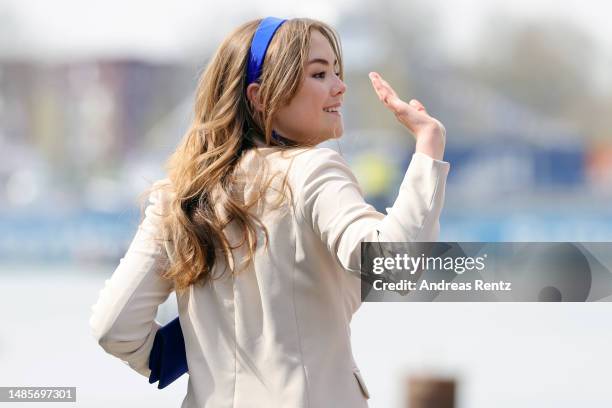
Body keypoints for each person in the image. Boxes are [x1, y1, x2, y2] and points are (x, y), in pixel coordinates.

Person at [89, 16, 450, 408]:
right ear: (261, 97)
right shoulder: (313, 172)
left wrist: (186, 352)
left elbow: (116, 327)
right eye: (319, 73)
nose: (340, 85)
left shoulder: (179, 195)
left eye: (336, 71)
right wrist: (428, 146)